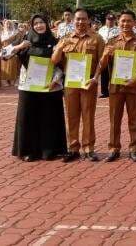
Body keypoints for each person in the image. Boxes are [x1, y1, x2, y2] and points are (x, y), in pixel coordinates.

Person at [92, 10, 136, 162]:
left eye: (129, 21)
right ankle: (113, 148)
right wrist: (105, 56)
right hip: (115, 86)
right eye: (123, 21)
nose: (125, 24)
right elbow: (102, 64)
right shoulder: (111, 41)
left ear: (134, 23)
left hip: (133, 86)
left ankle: (134, 149)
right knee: (114, 119)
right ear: (118, 22)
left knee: (135, 119)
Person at [52, 8, 105, 162]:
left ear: (89, 20)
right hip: (71, 83)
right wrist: (60, 47)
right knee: (72, 116)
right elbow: (54, 61)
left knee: (88, 115)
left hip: (89, 82)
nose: (81, 22)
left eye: (84, 19)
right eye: (78, 19)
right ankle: (73, 148)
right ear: (73, 20)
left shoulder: (97, 39)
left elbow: (102, 62)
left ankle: (89, 148)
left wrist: (96, 78)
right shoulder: (65, 38)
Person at [12, 14, 67, 161]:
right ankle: (28, 151)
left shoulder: (55, 41)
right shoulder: (25, 39)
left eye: (42, 22)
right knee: (28, 118)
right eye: (35, 23)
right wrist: (19, 46)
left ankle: (49, 150)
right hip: (28, 87)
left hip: (50, 87)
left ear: (47, 24)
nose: (39, 26)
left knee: (49, 118)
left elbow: (60, 65)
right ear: (32, 25)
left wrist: (56, 80)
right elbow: (2, 55)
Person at [98, 13, 120, 99]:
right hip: (103, 52)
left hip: (113, 53)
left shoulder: (118, 30)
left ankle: (114, 89)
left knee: (114, 71)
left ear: (114, 20)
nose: (110, 21)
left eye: (112, 20)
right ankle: (104, 91)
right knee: (104, 72)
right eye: (108, 19)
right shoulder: (101, 30)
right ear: (106, 20)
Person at [0, 19, 22, 86]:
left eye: (10, 24)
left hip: (13, 50)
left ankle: (13, 80)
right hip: (4, 50)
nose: (8, 25)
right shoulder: (2, 33)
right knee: (4, 65)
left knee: (13, 65)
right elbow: (0, 43)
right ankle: (5, 81)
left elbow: (18, 41)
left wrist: (11, 47)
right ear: (5, 25)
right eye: (7, 24)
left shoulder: (16, 32)